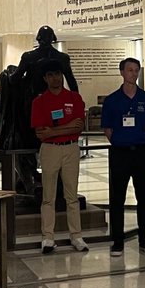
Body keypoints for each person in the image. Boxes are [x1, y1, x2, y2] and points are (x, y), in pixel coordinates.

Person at [101, 57, 145, 256]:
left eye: (136, 70)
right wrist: (119, 141)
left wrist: (138, 136)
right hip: (120, 153)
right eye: (130, 70)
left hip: (141, 152)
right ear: (122, 72)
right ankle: (117, 240)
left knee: (143, 197)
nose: (134, 74)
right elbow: (107, 128)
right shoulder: (112, 100)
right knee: (117, 198)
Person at [31, 60, 89, 254]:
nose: (55, 78)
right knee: (48, 197)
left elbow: (79, 125)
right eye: (51, 75)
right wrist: (66, 128)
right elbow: (41, 133)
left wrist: (53, 130)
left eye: (58, 74)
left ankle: (76, 236)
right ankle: (48, 237)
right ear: (45, 79)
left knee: (72, 196)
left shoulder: (74, 97)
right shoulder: (39, 101)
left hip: (71, 148)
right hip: (50, 150)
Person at [16, 25, 79, 93]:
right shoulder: (62, 57)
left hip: (33, 98)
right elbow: (72, 83)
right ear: (52, 38)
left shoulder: (28, 57)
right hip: (55, 97)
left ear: (39, 39)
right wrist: (77, 100)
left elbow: (14, 79)